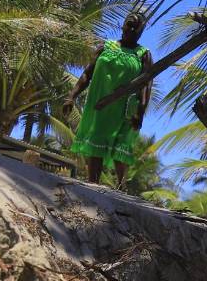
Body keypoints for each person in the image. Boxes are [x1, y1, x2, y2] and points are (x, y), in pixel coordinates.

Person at [63, 10, 154, 186]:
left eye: (137, 27)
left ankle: (121, 188)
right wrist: (71, 96)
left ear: (141, 31)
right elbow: (86, 75)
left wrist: (140, 112)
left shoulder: (143, 54)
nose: (132, 28)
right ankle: (93, 185)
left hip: (126, 108)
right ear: (123, 24)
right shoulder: (104, 47)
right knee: (96, 140)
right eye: (130, 23)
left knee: (121, 146)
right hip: (100, 104)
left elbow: (146, 85)